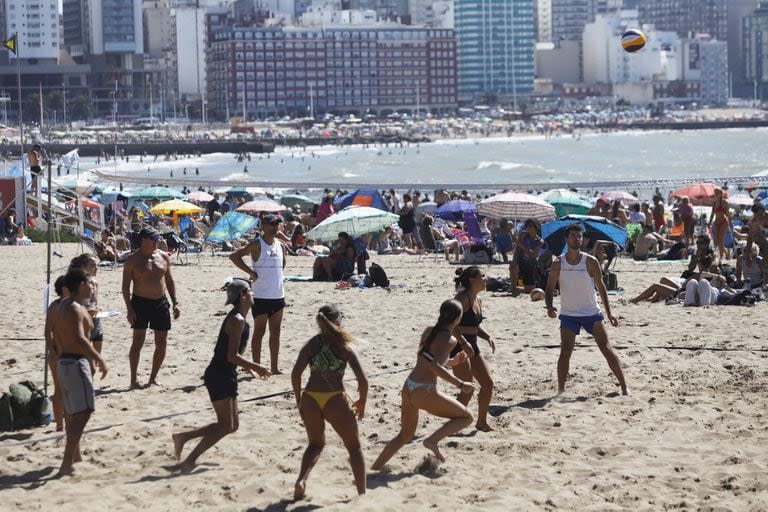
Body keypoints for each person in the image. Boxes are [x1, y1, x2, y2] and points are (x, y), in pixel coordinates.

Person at [171, 279, 271, 471]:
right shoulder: (236, 320)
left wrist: (249, 368)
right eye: (250, 290)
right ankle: (189, 460)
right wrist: (256, 366)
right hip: (218, 375)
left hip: (227, 373)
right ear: (242, 296)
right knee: (225, 425)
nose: (253, 293)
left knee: (231, 426)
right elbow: (231, 355)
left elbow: (233, 354)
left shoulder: (241, 318)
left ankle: (183, 437)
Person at [371, 299, 476, 470]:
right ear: (458, 319)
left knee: (404, 435)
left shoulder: (429, 331)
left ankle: (376, 467)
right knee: (467, 417)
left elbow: (426, 360)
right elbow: (433, 366)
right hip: (424, 391)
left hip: (409, 386)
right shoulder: (449, 340)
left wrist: (453, 362)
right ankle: (432, 441)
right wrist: (460, 384)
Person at [291, 305, 368, 499]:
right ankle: (362, 494)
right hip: (334, 399)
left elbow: (295, 374)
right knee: (354, 448)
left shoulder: (312, 344)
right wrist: (362, 403)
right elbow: (362, 380)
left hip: (310, 397)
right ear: (338, 322)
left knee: (315, 444)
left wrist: (299, 399)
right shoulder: (344, 346)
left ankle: (301, 480)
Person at [545, 223, 628, 396]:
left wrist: (609, 313)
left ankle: (624, 386)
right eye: (574, 236)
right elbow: (549, 287)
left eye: (580, 236)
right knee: (565, 352)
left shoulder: (590, 261)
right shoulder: (558, 262)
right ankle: (560, 390)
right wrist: (549, 305)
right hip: (569, 314)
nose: (577, 239)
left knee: (606, 348)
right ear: (566, 239)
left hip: (591, 313)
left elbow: (601, 287)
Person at [48, 268, 108, 476]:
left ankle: (75, 456)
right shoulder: (73, 307)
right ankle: (67, 462)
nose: (92, 287)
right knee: (84, 412)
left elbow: (55, 330)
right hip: (75, 362)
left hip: (65, 362)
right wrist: (98, 358)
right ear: (81, 285)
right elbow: (80, 339)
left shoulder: (64, 305)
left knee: (74, 413)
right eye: (89, 284)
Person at [122, 227, 180, 388]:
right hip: (140, 303)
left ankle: (153, 378)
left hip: (160, 302)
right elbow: (125, 287)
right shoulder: (132, 260)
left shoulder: (163, 256)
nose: (157, 242)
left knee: (162, 341)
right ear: (143, 240)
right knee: (138, 341)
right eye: (153, 239)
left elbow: (169, 281)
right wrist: (129, 309)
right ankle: (133, 380)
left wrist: (175, 302)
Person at [229, 214, 287, 374]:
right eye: (271, 224)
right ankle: (256, 366)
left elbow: (282, 266)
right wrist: (250, 272)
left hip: (278, 296)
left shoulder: (280, 245)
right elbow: (234, 256)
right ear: (263, 226)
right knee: (259, 332)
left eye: (277, 224)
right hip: (261, 296)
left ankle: (274, 368)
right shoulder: (257, 244)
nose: (275, 227)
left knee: (275, 333)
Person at [451, 267, 495, 432]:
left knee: (488, 384)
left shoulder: (478, 300)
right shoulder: (461, 299)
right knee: (467, 388)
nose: (486, 279)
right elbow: (450, 324)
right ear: (471, 280)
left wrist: (487, 336)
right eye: (482, 276)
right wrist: (463, 342)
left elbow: (474, 326)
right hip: (458, 346)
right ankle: (453, 422)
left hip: (472, 344)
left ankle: (481, 422)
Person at [43, 275, 69, 431]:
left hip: (73, 353)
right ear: (64, 289)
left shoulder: (76, 304)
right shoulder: (55, 306)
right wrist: (52, 351)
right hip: (58, 352)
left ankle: (69, 422)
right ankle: (60, 425)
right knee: (59, 389)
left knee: (70, 390)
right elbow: (47, 332)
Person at [69, 254, 105, 354]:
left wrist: (97, 308)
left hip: (95, 321)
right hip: (81, 321)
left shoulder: (95, 283)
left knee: (97, 354)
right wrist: (87, 310)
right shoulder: (76, 284)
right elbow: (70, 305)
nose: (96, 268)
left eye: (96, 265)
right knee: (83, 354)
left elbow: (93, 302)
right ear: (83, 267)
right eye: (93, 265)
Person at [510, 219, 547, 293]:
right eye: (527, 226)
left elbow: (534, 255)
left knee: (529, 289)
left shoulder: (540, 241)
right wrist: (528, 250)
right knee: (513, 266)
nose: (528, 228)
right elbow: (518, 244)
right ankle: (513, 287)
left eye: (531, 226)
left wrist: (527, 250)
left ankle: (517, 288)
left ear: (536, 227)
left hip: (530, 266)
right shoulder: (523, 234)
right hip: (520, 262)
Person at [707, 188, 731, 261]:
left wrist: (729, 224)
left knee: (720, 240)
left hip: (724, 222)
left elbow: (728, 214)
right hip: (716, 222)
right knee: (717, 240)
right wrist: (709, 222)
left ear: (720, 194)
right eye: (715, 193)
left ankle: (721, 256)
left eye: (716, 193)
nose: (715, 194)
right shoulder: (714, 203)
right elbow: (712, 214)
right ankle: (726, 253)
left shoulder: (724, 202)